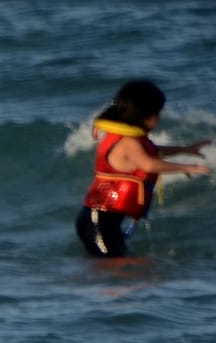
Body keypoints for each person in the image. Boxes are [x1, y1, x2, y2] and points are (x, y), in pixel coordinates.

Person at [76, 80, 210, 258]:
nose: (159, 118)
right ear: (145, 115)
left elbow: (155, 151)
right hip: (98, 222)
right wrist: (186, 166)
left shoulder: (131, 140)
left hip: (99, 220)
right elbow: (148, 164)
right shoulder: (129, 141)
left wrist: (186, 150)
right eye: (157, 113)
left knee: (116, 270)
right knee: (116, 270)